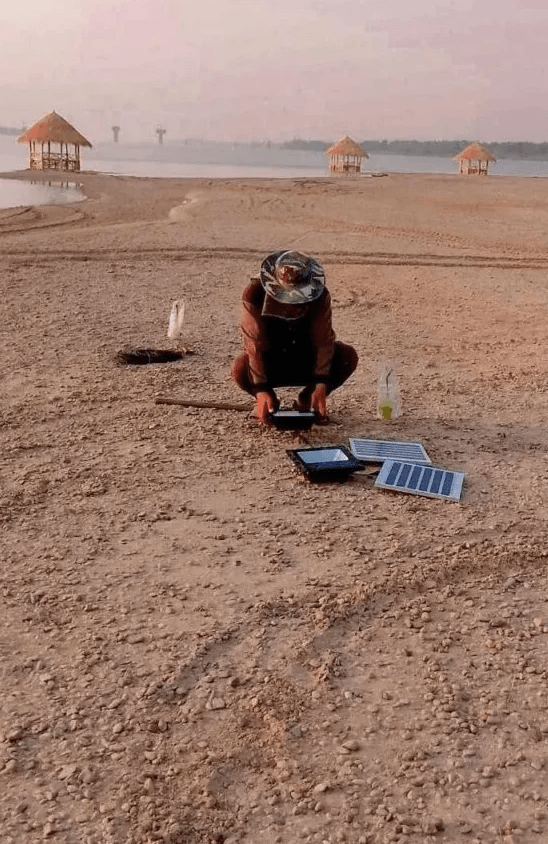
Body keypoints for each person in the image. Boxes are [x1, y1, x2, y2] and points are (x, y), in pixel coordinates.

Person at [231, 250, 358, 425]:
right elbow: (254, 344)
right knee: (240, 368)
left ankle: (308, 402)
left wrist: (321, 383)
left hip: (305, 356)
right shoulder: (254, 294)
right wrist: (261, 389)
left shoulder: (319, 295)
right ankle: (268, 404)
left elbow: (324, 341)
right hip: (271, 359)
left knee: (346, 356)